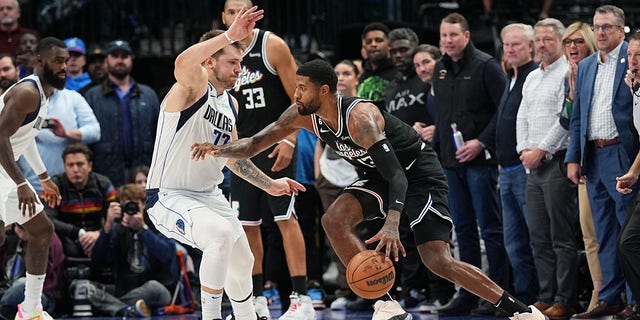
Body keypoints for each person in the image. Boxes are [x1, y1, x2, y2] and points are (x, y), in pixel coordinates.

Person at [192, 58, 547, 320]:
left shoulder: (360, 118)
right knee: (333, 220)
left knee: (438, 260)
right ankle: (386, 302)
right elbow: (255, 142)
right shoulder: (302, 115)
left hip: (417, 174)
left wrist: (392, 223)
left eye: (303, 87)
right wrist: (218, 149)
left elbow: (398, 177)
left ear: (325, 90)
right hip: (379, 177)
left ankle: (520, 311)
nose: (296, 93)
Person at [146, 7, 304, 320]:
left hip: (210, 196)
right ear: (209, 62)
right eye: (232, 62)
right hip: (169, 195)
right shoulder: (192, 88)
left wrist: (271, 185)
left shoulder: (230, 102)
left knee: (243, 259)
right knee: (219, 236)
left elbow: (234, 156)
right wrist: (230, 35)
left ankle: (245, 316)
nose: (238, 70)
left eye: (240, 63)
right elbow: (181, 63)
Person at [221, 1, 314, 317]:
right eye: (232, 12)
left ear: (254, 13)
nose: (238, 17)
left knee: (286, 219)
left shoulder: (271, 45)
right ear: (224, 18)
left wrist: (290, 138)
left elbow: (299, 98)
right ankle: (256, 298)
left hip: (276, 146)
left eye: (243, 10)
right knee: (246, 226)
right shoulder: (220, 50)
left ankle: (301, 298)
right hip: (242, 151)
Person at [431, 12, 509, 316]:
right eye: (444, 36)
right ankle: (467, 293)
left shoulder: (486, 66)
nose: (448, 41)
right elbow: (442, 118)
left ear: (466, 36)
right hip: (451, 163)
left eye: (453, 35)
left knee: (490, 229)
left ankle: (496, 295)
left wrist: (482, 143)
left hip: (481, 162)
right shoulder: (439, 69)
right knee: (461, 231)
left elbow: (503, 111)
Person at [565, 5, 638, 319]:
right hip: (592, 155)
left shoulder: (633, 60)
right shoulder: (587, 65)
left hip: (623, 153)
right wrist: (573, 157)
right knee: (604, 232)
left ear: (621, 30)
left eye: (608, 26)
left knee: (628, 235)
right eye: (597, 27)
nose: (601, 32)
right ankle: (610, 297)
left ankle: (636, 299)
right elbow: (578, 116)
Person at [516, 18, 579, 319]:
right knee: (538, 236)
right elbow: (521, 117)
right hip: (532, 166)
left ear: (561, 42)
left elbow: (566, 120)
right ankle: (545, 295)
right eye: (538, 40)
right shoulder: (531, 77)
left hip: (555, 161)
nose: (541, 45)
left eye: (548, 40)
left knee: (562, 238)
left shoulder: (567, 72)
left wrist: (541, 150)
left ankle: (565, 298)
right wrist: (523, 150)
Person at [0, 36, 66, 320]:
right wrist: (23, 183)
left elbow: (23, 139)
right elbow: (0, 137)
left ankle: (30, 311)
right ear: (40, 61)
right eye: (58, 61)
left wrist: (43, 177)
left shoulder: (45, 94)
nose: (64, 67)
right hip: (4, 168)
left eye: (66, 61)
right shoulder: (27, 92)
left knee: (41, 232)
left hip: (5, 168)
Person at [484, 22, 539, 314]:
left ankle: (540, 296)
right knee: (513, 243)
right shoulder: (512, 77)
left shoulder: (533, 76)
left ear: (530, 47)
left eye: (516, 44)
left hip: (524, 169)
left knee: (532, 240)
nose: (510, 49)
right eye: (506, 45)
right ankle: (523, 299)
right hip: (504, 169)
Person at [558, 21, 601, 312]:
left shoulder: (603, 69)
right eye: (568, 42)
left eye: (579, 42)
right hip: (584, 160)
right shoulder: (568, 77)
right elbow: (567, 121)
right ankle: (601, 294)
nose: (573, 48)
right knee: (588, 233)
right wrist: (572, 93)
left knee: (613, 233)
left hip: (608, 158)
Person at [89, 183, 176, 317]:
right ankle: (130, 309)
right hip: (124, 290)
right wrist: (107, 226)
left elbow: (168, 255)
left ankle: (115, 306)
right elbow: (99, 261)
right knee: (85, 288)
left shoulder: (158, 224)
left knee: (154, 288)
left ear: (143, 205)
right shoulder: (116, 229)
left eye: (134, 204)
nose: (130, 209)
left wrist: (143, 230)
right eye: (125, 205)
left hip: (157, 289)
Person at [83, 39, 160, 187]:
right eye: (115, 56)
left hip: (144, 171)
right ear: (106, 61)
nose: (120, 60)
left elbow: (159, 133)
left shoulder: (148, 94)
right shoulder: (92, 96)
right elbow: (87, 139)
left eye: (124, 56)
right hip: (105, 172)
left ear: (131, 60)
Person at [16, 86, 101, 194]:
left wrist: (66, 134)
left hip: (68, 187)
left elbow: (95, 132)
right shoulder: (22, 98)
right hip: (31, 185)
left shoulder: (73, 98)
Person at [45, 143, 116, 261]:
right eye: (70, 165)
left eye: (80, 164)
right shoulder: (54, 187)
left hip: (99, 236)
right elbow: (48, 219)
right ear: (64, 167)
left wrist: (99, 233)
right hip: (67, 238)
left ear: (90, 166)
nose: (75, 170)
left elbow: (118, 217)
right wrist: (78, 233)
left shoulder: (104, 184)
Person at [616, 30, 640, 320]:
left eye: (639, 56)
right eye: (630, 56)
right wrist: (633, 173)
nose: (633, 62)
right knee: (627, 242)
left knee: (629, 242)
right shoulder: (635, 90)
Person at [0, 224, 65, 318]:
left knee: (22, 284)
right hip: (7, 289)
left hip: (42, 293)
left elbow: (43, 274)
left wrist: (30, 241)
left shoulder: (46, 236)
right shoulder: (10, 236)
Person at [357, 22, 399, 109]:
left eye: (379, 40)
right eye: (369, 42)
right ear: (364, 46)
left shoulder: (399, 72)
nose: (373, 44)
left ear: (389, 44)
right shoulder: (362, 77)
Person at [411, 44, 441, 144]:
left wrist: (438, 131)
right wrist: (418, 129)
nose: (422, 69)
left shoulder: (452, 86)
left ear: (439, 61)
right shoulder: (429, 95)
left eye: (426, 62)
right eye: (417, 66)